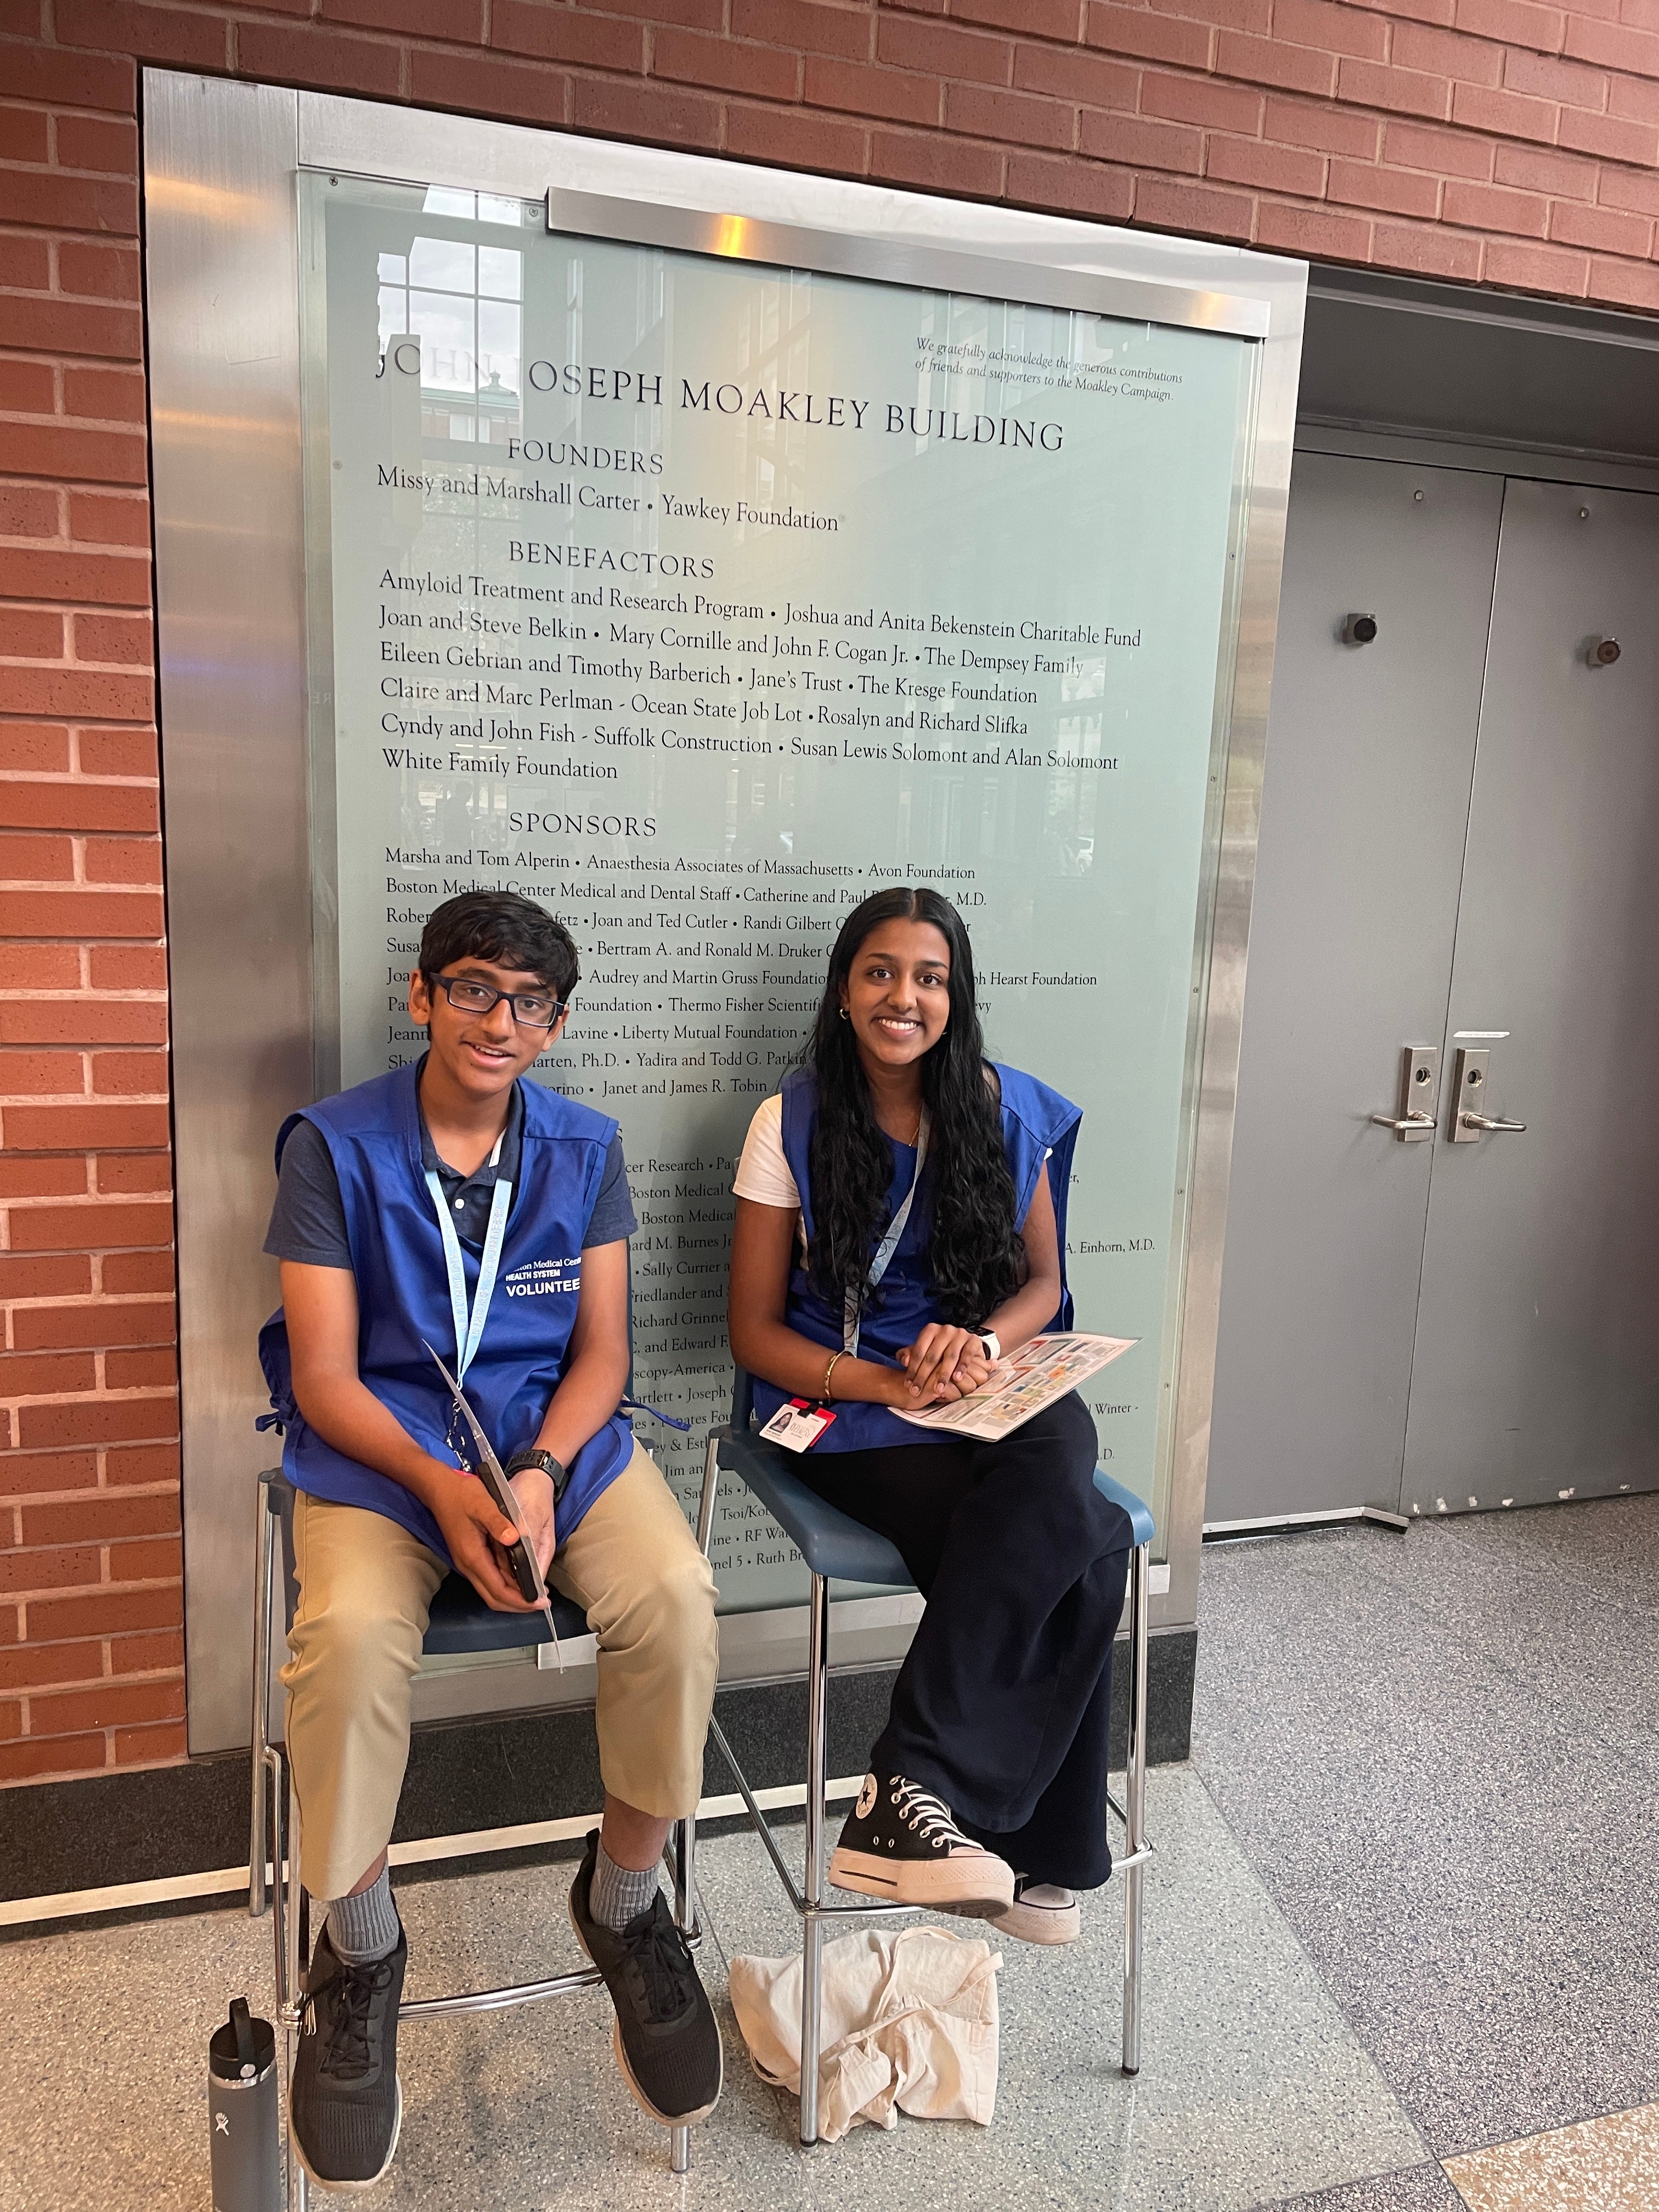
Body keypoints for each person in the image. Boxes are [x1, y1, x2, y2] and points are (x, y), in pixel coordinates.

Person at [259, 890, 722, 2189]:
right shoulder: (332, 1148)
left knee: (679, 1598)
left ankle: (624, 1904)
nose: (497, 1020)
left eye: (528, 1003)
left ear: (557, 1024)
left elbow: (604, 1354)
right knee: (346, 1637)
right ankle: (358, 1944)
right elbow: (328, 1376)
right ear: (422, 996)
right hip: (382, 1457)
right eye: (471, 989)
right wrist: (444, 1486)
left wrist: (535, 1474)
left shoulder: (586, 1148)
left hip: (546, 1451)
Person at [727, 885, 1135, 1949]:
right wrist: (888, 1384)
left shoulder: (1007, 1111)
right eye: (880, 972)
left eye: (929, 977)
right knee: (1082, 1537)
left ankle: (907, 1791)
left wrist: (983, 1348)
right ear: (845, 988)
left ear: (956, 995)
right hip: (846, 1408)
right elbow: (755, 1336)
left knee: (1063, 1446)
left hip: (975, 1386)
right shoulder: (790, 1122)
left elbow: (1043, 1286)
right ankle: (1049, 1850)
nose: (903, 997)